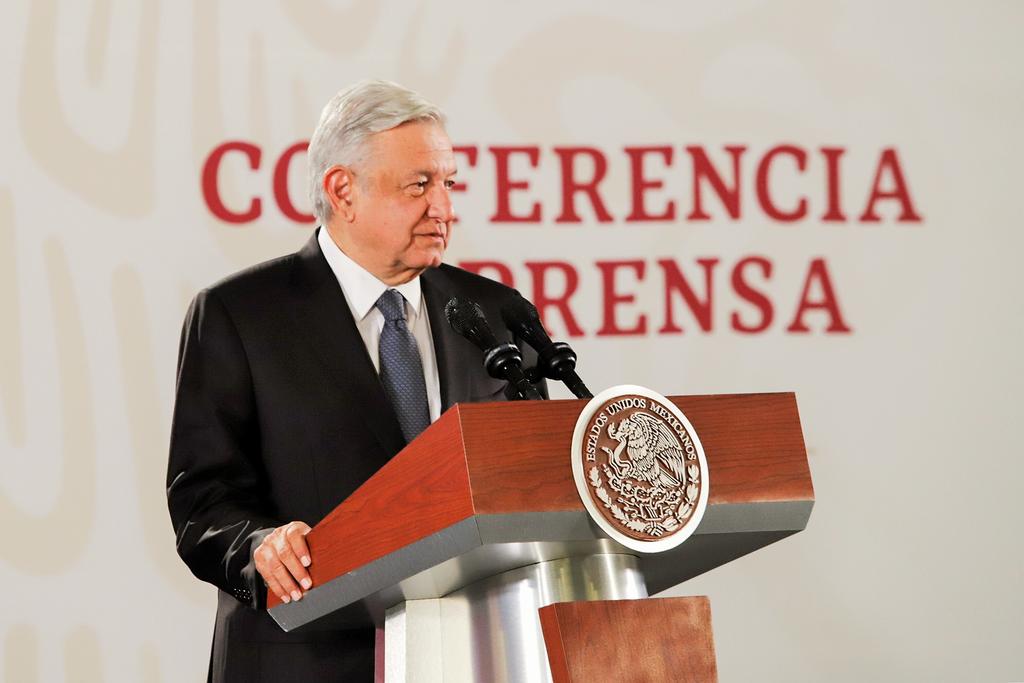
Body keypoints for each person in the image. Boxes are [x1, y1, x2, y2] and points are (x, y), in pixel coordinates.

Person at [167, 80, 542, 682]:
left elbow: (531, 484)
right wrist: (261, 546)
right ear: (343, 190)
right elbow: (202, 502)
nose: (443, 208)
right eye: (419, 185)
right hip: (305, 661)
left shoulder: (496, 314)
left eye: (448, 183)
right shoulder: (240, 316)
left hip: (471, 655)